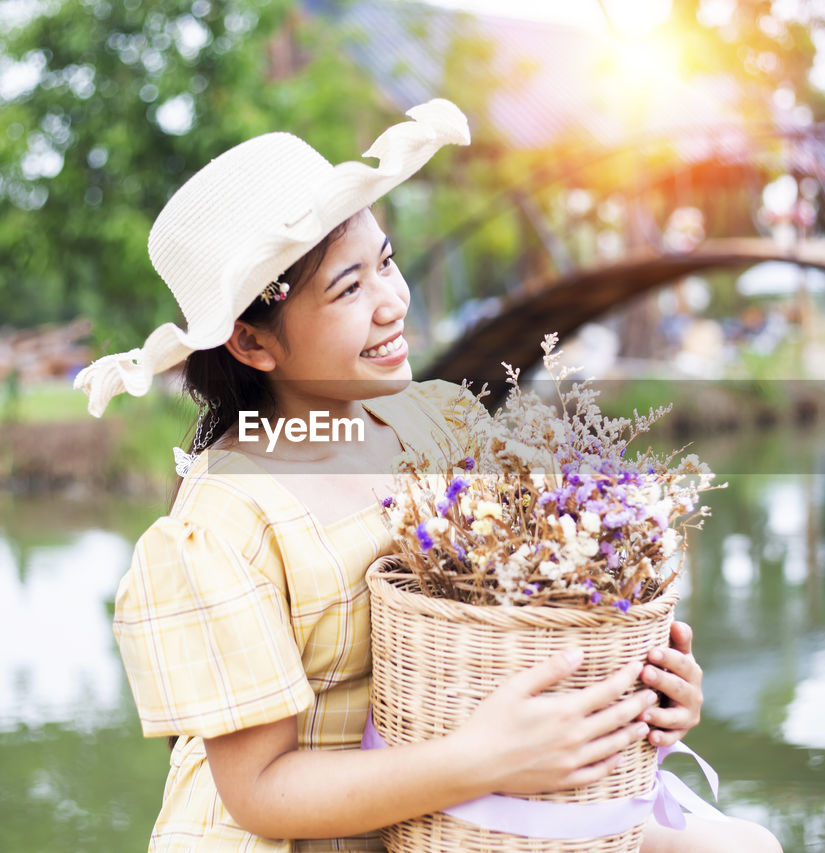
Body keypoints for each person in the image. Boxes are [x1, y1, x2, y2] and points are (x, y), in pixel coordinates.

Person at [76, 99, 780, 853]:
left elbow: (531, 603)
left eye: (386, 262)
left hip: (464, 809)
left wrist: (645, 684)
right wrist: (481, 756)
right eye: (348, 290)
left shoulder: (438, 422)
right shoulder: (223, 520)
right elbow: (258, 792)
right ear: (252, 343)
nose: (392, 303)